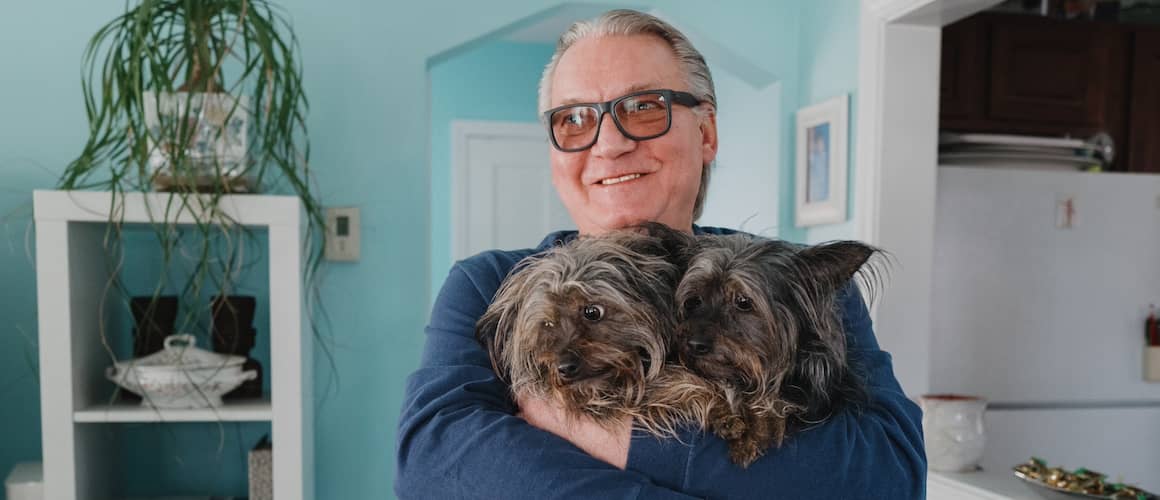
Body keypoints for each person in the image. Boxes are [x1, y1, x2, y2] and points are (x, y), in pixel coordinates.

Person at [396, 9, 925, 499]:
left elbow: (888, 476)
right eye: (574, 120)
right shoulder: (486, 284)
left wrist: (600, 433)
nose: (607, 145)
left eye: (643, 108)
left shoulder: (796, 283)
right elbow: (434, 465)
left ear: (707, 131)